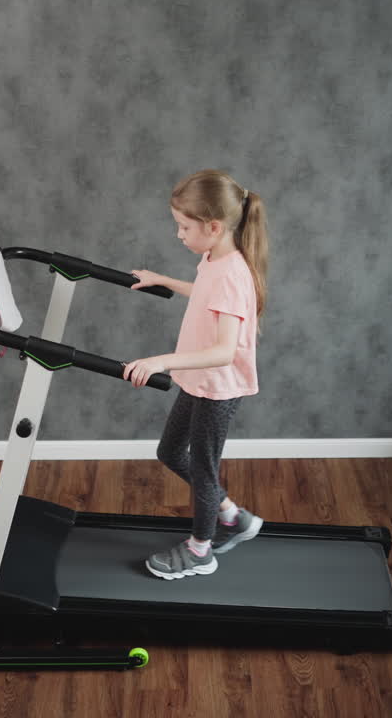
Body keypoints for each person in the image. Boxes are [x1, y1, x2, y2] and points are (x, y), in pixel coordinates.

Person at [123, 169, 269, 580]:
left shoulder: (233, 275)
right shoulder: (214, 258)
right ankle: (232, 517)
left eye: (184, 227)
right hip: (200, 381)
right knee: (170, 452)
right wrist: (161, 280)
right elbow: (204, 291)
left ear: (214, 226)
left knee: (204, 470)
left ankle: (201, 550)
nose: (179, 234)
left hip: (218, 388)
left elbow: (224, 352)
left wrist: (161, 361)